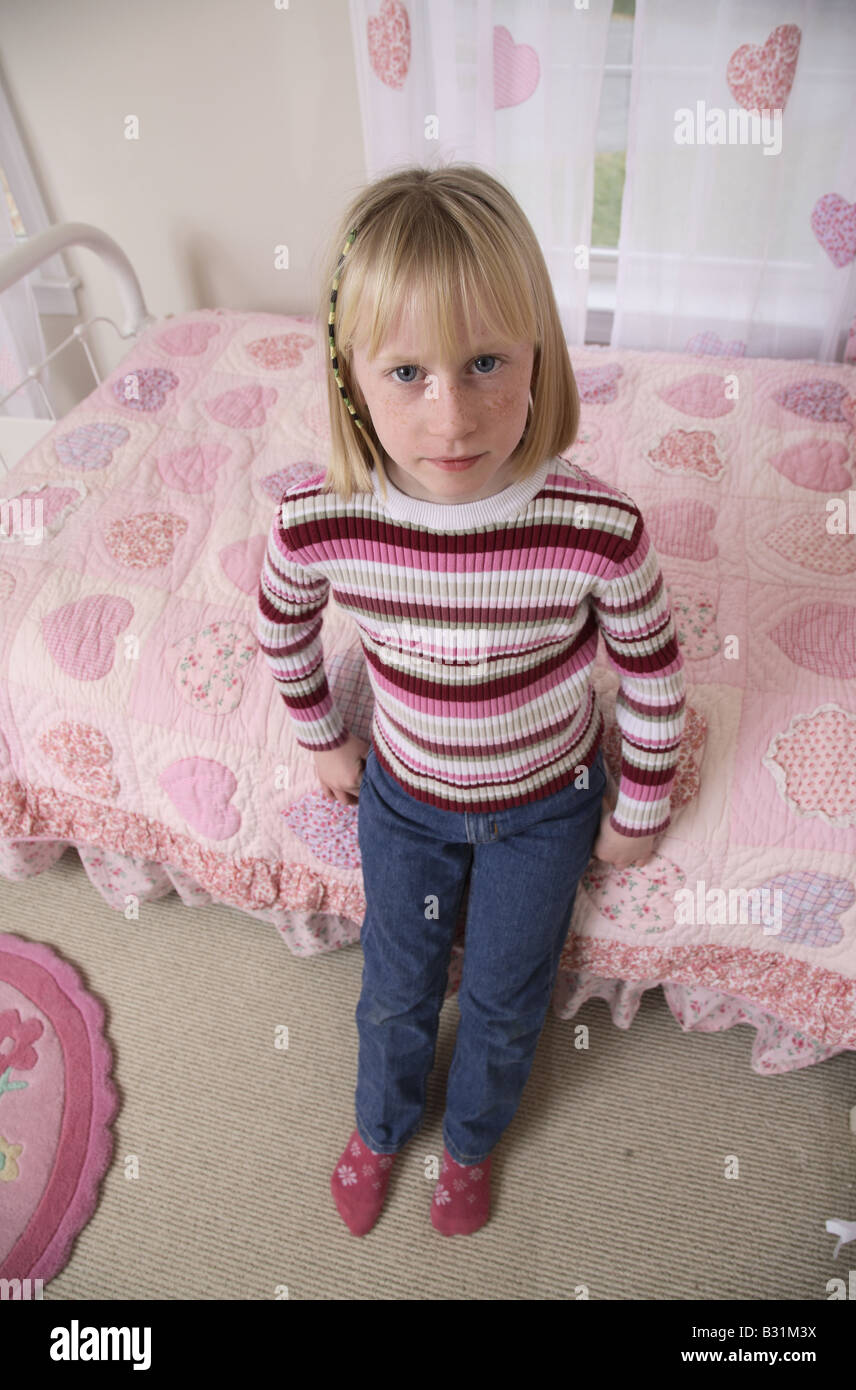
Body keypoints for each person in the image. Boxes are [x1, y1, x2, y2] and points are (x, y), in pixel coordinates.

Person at [256, 163, 686, 1240]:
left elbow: (651, 668)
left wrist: (636, 806)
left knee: (501, 998)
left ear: (537, 350)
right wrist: (321, 737)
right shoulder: (320, 516)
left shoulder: (595, 527)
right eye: (405, 371)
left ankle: (473, 1140)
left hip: (546, 804)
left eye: (486, 360)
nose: (451, 415)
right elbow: (279, 619)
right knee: (395, 989)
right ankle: (380, 1119)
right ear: (349, 378)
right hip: (402, 797)